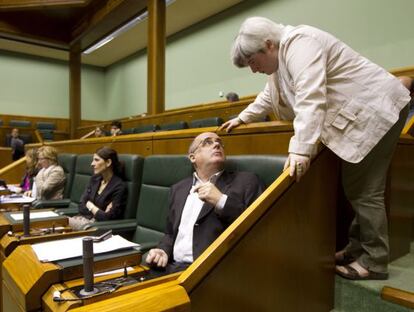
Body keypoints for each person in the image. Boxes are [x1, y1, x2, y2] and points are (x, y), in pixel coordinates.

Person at [220, 17, 411, 280]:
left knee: (366, 191)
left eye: (253, 62)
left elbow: (311, 97)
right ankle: (358, 249)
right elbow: (268, 96)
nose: (253, 70)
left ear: (268, 45)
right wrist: (243, 118)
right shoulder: (281, 58)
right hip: (367, 114)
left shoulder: (301, 43)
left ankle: (375, 261)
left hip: (380, 110)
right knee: (358, 188)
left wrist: (300, 149)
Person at [145, 132, 264, 274]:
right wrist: (163, 250)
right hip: (170, 268)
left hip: (212, 273)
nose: (216, 144)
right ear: (192, 157)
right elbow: (170, 233)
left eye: (219, 142)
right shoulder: (178, 188)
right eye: (207, 142)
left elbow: (259, 232)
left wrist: (221, 201)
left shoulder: (247, 181)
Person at [69, 147, 127, 230]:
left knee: (61, 222)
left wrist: (90, 205)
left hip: (97, 227)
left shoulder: (119, 186)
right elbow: (81, 205)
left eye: (96, 160)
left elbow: (108, 218)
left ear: (108, 162)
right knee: (58, 223)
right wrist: (98, 212)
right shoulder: (94, 179)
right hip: (83, 220)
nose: (92, 164)